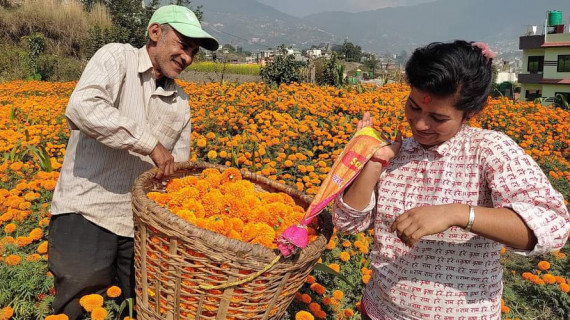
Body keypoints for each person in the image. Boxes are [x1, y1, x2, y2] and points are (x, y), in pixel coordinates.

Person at [333, 40, 570, 319]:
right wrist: (373, 161)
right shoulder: (396, 151)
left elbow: (553, 226)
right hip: (379, 309)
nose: (420, 124)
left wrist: (458, 214)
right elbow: (348, 223)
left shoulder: (489, 150)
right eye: (413, 106)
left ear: (469, 112)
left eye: (437, 117)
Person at [47, 5, 218, 319]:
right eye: (183, 45)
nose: (188, 58)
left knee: (140, 308)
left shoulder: (180, 103)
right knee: (79, 307)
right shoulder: (116, 58)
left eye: (193, 52)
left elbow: (175, 172)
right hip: (87, 210)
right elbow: (83, 107)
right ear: (155, 33)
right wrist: (150, 144)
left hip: (140, 227)